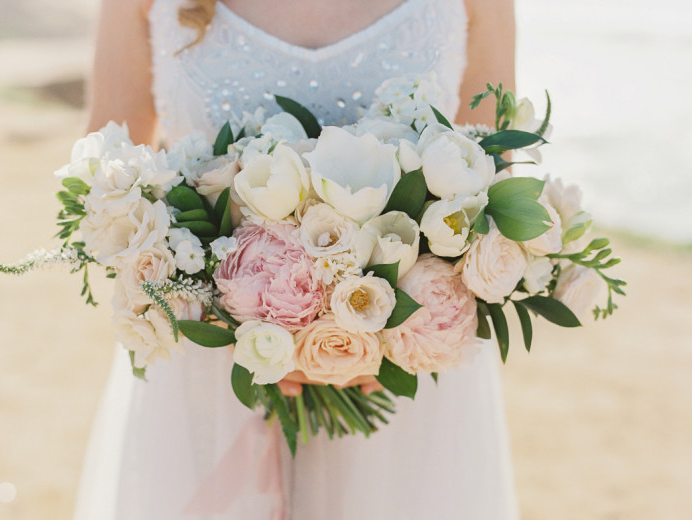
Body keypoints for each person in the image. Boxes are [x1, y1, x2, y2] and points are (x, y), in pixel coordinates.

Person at [74, 0, 519, 518]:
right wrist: (245, 320)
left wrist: (366, 332)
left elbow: (491, 183)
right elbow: (108, 180)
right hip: (212, 364)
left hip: (402, 372)